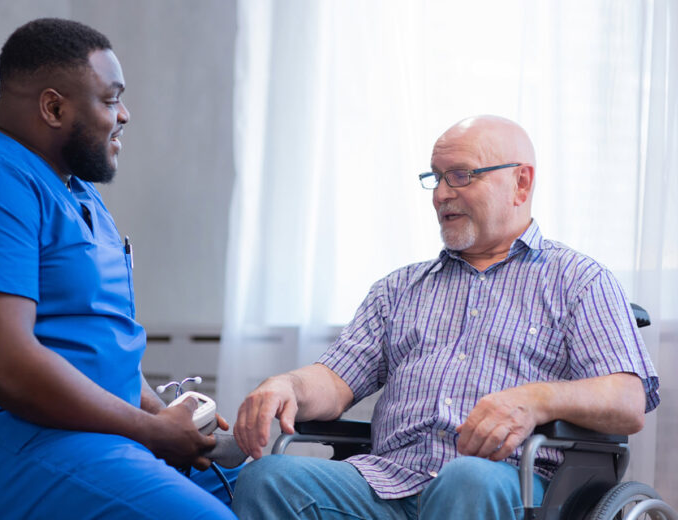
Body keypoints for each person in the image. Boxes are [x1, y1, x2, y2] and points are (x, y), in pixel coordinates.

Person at [231, 115, 660, 519]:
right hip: (387, 480)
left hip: (509, 483)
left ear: (521, 182)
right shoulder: (398, 289)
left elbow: (627, 400)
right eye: (435, 178)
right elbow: (335, 381)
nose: (440, 194)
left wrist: (535, 399)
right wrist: (288, 384)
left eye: (461, 175)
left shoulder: (580, 281)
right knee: (267, 478)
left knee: (466, 479)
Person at [0, 18, 237, 520]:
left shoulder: (77, 191)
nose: (125, 114)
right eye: (110, 98)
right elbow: (2, 366)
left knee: (271, 494)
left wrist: (163, 417)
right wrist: (150, 432)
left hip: (88, 440)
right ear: (54, 107)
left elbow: (97, 346)